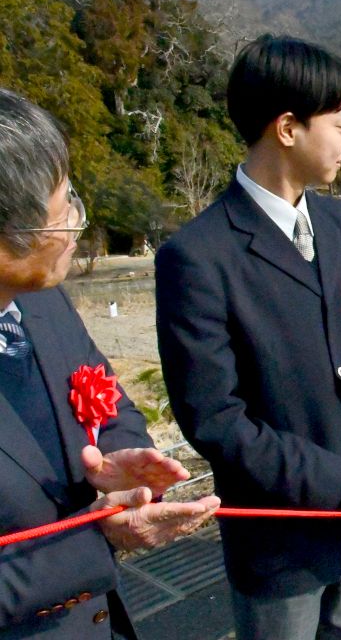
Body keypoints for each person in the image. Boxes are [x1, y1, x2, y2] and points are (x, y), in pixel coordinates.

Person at [155, 34, 341, 640]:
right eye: (339, 124)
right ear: (287, 128)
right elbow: (216, 419)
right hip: (278, 539)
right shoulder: (199, 257)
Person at [0, 88, 219, 639]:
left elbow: (103, 393)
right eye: (63, 205)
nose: (77, 218)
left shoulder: (40, 300)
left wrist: (118, 462)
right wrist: (100, 536)